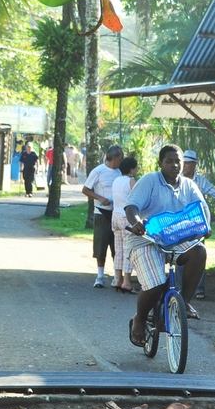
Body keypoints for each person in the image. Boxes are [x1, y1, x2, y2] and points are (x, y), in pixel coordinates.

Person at [125, 144, 208, 347]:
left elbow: (202, 209)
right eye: (169, 161)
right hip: (147, 238)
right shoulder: (150, 181)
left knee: (199, 251)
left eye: (178, 160)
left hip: (176, 237)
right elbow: (131, 206)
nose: (174, 165)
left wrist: (205, 225)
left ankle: (184, 302)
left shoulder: (189, 185)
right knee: (156, 284)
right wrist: (136, 222)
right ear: (160, 163)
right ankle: (140, 319)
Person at [181, 149, 215, 299]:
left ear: (194, 165)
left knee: (199, 255)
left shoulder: (201, 181)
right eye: (184, 163)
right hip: (180, 222)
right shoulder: (176, 179)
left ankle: (199, 288)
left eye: (188, 163)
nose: (185, 166)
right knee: (179, 254)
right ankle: (180, 288)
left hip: (198, 222)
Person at [81, 145, 124, 288]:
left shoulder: (119, 172)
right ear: (113, 158)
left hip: (116, 212)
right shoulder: (98, 171)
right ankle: (100, 275)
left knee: (116, 245)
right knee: (101, 244)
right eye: (120, 158)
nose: (121, 161)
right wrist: (99, 198)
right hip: (101, 212)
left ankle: (117, 276)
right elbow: (86, 189)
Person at [110, 157, 139, 293]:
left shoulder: (116, 180)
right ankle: (127, 281)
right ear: (132, 169)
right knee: (128, 249)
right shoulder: (131, 181)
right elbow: (137, 198)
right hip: (126, 217)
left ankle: (117, 278)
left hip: (115, 216)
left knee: (118, 249)